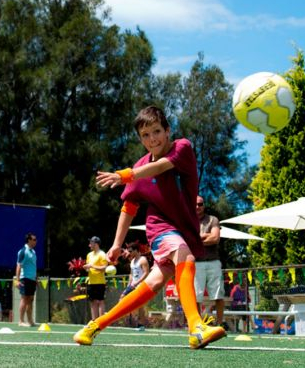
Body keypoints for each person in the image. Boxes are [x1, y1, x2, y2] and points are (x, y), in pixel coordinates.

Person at [76, 105, 226, 349]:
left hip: (183, 229)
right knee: (184, 256)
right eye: (145, 135)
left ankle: (95, 326)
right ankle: (196, 327)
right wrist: (115, 245)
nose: (152, 139)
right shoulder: (139, 167)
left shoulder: (182, 148)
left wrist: (126, 174)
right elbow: (129, 207)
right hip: (160, 227)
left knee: (154, 284)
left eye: (156, 131)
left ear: (168, 131)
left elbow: (160, 167)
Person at [195, 196, 225, 327]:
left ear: (204, 205)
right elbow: (186, 240)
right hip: (196, 263)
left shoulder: (213, 219)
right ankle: (197, 324)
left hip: (213, 261)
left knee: (218, 294)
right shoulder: (187, 221)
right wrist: (207, 235)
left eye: (200, 204)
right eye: (195, 204)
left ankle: (219, 323)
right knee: (196, 296)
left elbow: (215, 238)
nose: (197, 207)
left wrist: (198, 239)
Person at [121, 241, 149, 329]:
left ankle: (141, 324)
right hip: (133, 285)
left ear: (136, 250)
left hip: (141, 285)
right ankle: (123, 317)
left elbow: (146, 273)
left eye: (131, 251)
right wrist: (129, 284)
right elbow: (131, 274)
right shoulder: (132, 261)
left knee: (140, 305)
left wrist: (137, 283)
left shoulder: (143, 259)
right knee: (122, 297)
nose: (129, 253)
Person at [15, 232, 38, 327]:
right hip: (25, 279)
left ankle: (30, 321)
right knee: (24, 299)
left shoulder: (33, 252)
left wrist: (36, 279)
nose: (36, 241)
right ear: (29, 240)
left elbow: (33, 266)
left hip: (32, 279)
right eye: (34, 239)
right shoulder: (23, 251)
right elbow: (19, 265)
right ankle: (20, 321)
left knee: (31, 299)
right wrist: (17, 280)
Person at [84, 236, 108, 321]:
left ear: (96, 244)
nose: (89, 245)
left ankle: (101, 321)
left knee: (100, 301)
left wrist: (92, 266)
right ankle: (94, 321)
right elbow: (89, 268)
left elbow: (104, 268)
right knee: (92, 301)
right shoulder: (89, 255)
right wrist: (87, 268)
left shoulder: (102, 254)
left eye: (91, 243)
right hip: (91, 282)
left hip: (100, 282)